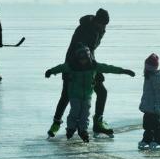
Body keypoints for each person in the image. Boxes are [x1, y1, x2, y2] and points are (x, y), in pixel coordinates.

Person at [44, 44, 135, 142]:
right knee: (75, 111)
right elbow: (61, 67)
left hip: (87, 95)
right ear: (77, 58)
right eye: (81, 59)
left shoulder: (94, 66)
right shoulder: (72, 66)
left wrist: (123, 71)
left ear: (88, 58)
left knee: (85, 114)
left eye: (85, 59)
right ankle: (71, 128)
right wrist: (51, 71)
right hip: (74, 95)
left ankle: (83, 130)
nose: (83, 61)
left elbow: (108, 68)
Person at [47, 8, 112, 138]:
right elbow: (82, 50)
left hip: (87, 64)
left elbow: (91, 51)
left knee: (102, 92)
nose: (104, 27)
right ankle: (56, 123)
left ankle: (98, 122)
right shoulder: (85, 29)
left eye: (105, 25)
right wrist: (95, 69)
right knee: (66, 94)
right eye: (102, 24)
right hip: (73, 64)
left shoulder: (98, 29)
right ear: (96, 21)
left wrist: (95, 68)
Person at [138, 53, 160, 151]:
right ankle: (147, 140)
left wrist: (159, 106)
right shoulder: (148, 76)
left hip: (155, 107)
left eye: (147, 67)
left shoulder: (156, 77)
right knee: (147, 125)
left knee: (156, 125)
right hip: (148, 106)